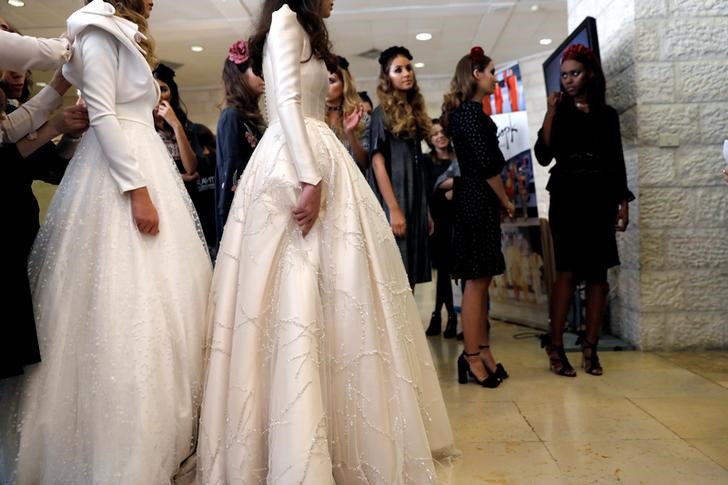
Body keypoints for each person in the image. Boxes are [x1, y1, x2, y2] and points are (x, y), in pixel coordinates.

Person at [196, 1, 457, 482]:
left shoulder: (303, 29)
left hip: (314, 153)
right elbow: (288, 104)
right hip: (298, 163)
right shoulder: (285, 21)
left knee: (340, 298)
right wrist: (310, 178)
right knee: (294, 295)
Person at [0, 1, 212, 483]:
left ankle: (174, 434)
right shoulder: (94, 30)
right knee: (117, 300)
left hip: (143, 161)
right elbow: (101, 113)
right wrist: (135, 192)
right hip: (121, 174)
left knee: (166, 299)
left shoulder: (118, 32)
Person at [534, 43, 633, 377]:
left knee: (599, 274)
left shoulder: (607, 115)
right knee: (567, 271)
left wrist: (623, 202)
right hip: (568, 197)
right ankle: (557, 346)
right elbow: (544, 154)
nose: (568, 80)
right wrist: (549, 111)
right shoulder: (559, 111)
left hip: (600, 198)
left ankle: (590, 348)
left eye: (574, 73)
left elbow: (616, 160)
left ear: (589, 73)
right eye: (564, 75)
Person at [441, 46, 514, 388]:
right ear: (476, 74)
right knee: (475, 281)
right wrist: (506, 200)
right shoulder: (468, 115)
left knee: (481, 280)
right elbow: (487, 167)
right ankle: (471, 356)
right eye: (491, 70)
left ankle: (482, 350)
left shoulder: (471, 113)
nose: (495, 76)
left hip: (476, 201)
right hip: (476, 201)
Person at [369, 45, 433, 290]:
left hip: (416, 200)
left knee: (412, 275)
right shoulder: (380, 114)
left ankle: (410, 330)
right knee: (398, 276)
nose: (406, 73)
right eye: (398, 70)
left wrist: (425, 210)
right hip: (396, 199)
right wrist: (394, 209)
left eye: (408, 68)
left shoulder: (414, 112)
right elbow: (377, 162)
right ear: (387, 77)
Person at [153, 63, 218, 256]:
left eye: (163, 89)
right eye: (153, 89)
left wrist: (176, 125)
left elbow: (191, 168)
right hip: (160, 200)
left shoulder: (189, 128)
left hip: (190, 202)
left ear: (172, 92)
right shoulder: (144, 129)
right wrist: (177, 178)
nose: (158, 95)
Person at [215, 38, 265, 246]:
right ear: (240, 76)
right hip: (241, 215)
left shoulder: (252, 117)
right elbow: (231, 172)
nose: (264, 76)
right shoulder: (232, 116)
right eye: (257, 70)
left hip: (257, 208)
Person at [424, 118, 459, 338]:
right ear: (430, 139)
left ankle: (441, 315)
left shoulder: (458, 158)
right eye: (434, 133)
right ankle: (446, 317)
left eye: (442, 132)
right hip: (438, 221)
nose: (439, 136)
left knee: (454, 271)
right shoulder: (428, 161)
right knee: (445, 271)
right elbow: (428, 192)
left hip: (458, 218)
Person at [325, 55, 369, 171]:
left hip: (352, 185)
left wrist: (350, 133)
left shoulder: (361, 118)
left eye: (331, 80)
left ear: (344, 85)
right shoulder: (312, 116)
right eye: (322, 80)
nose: (324, 86)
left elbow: (365, 163)